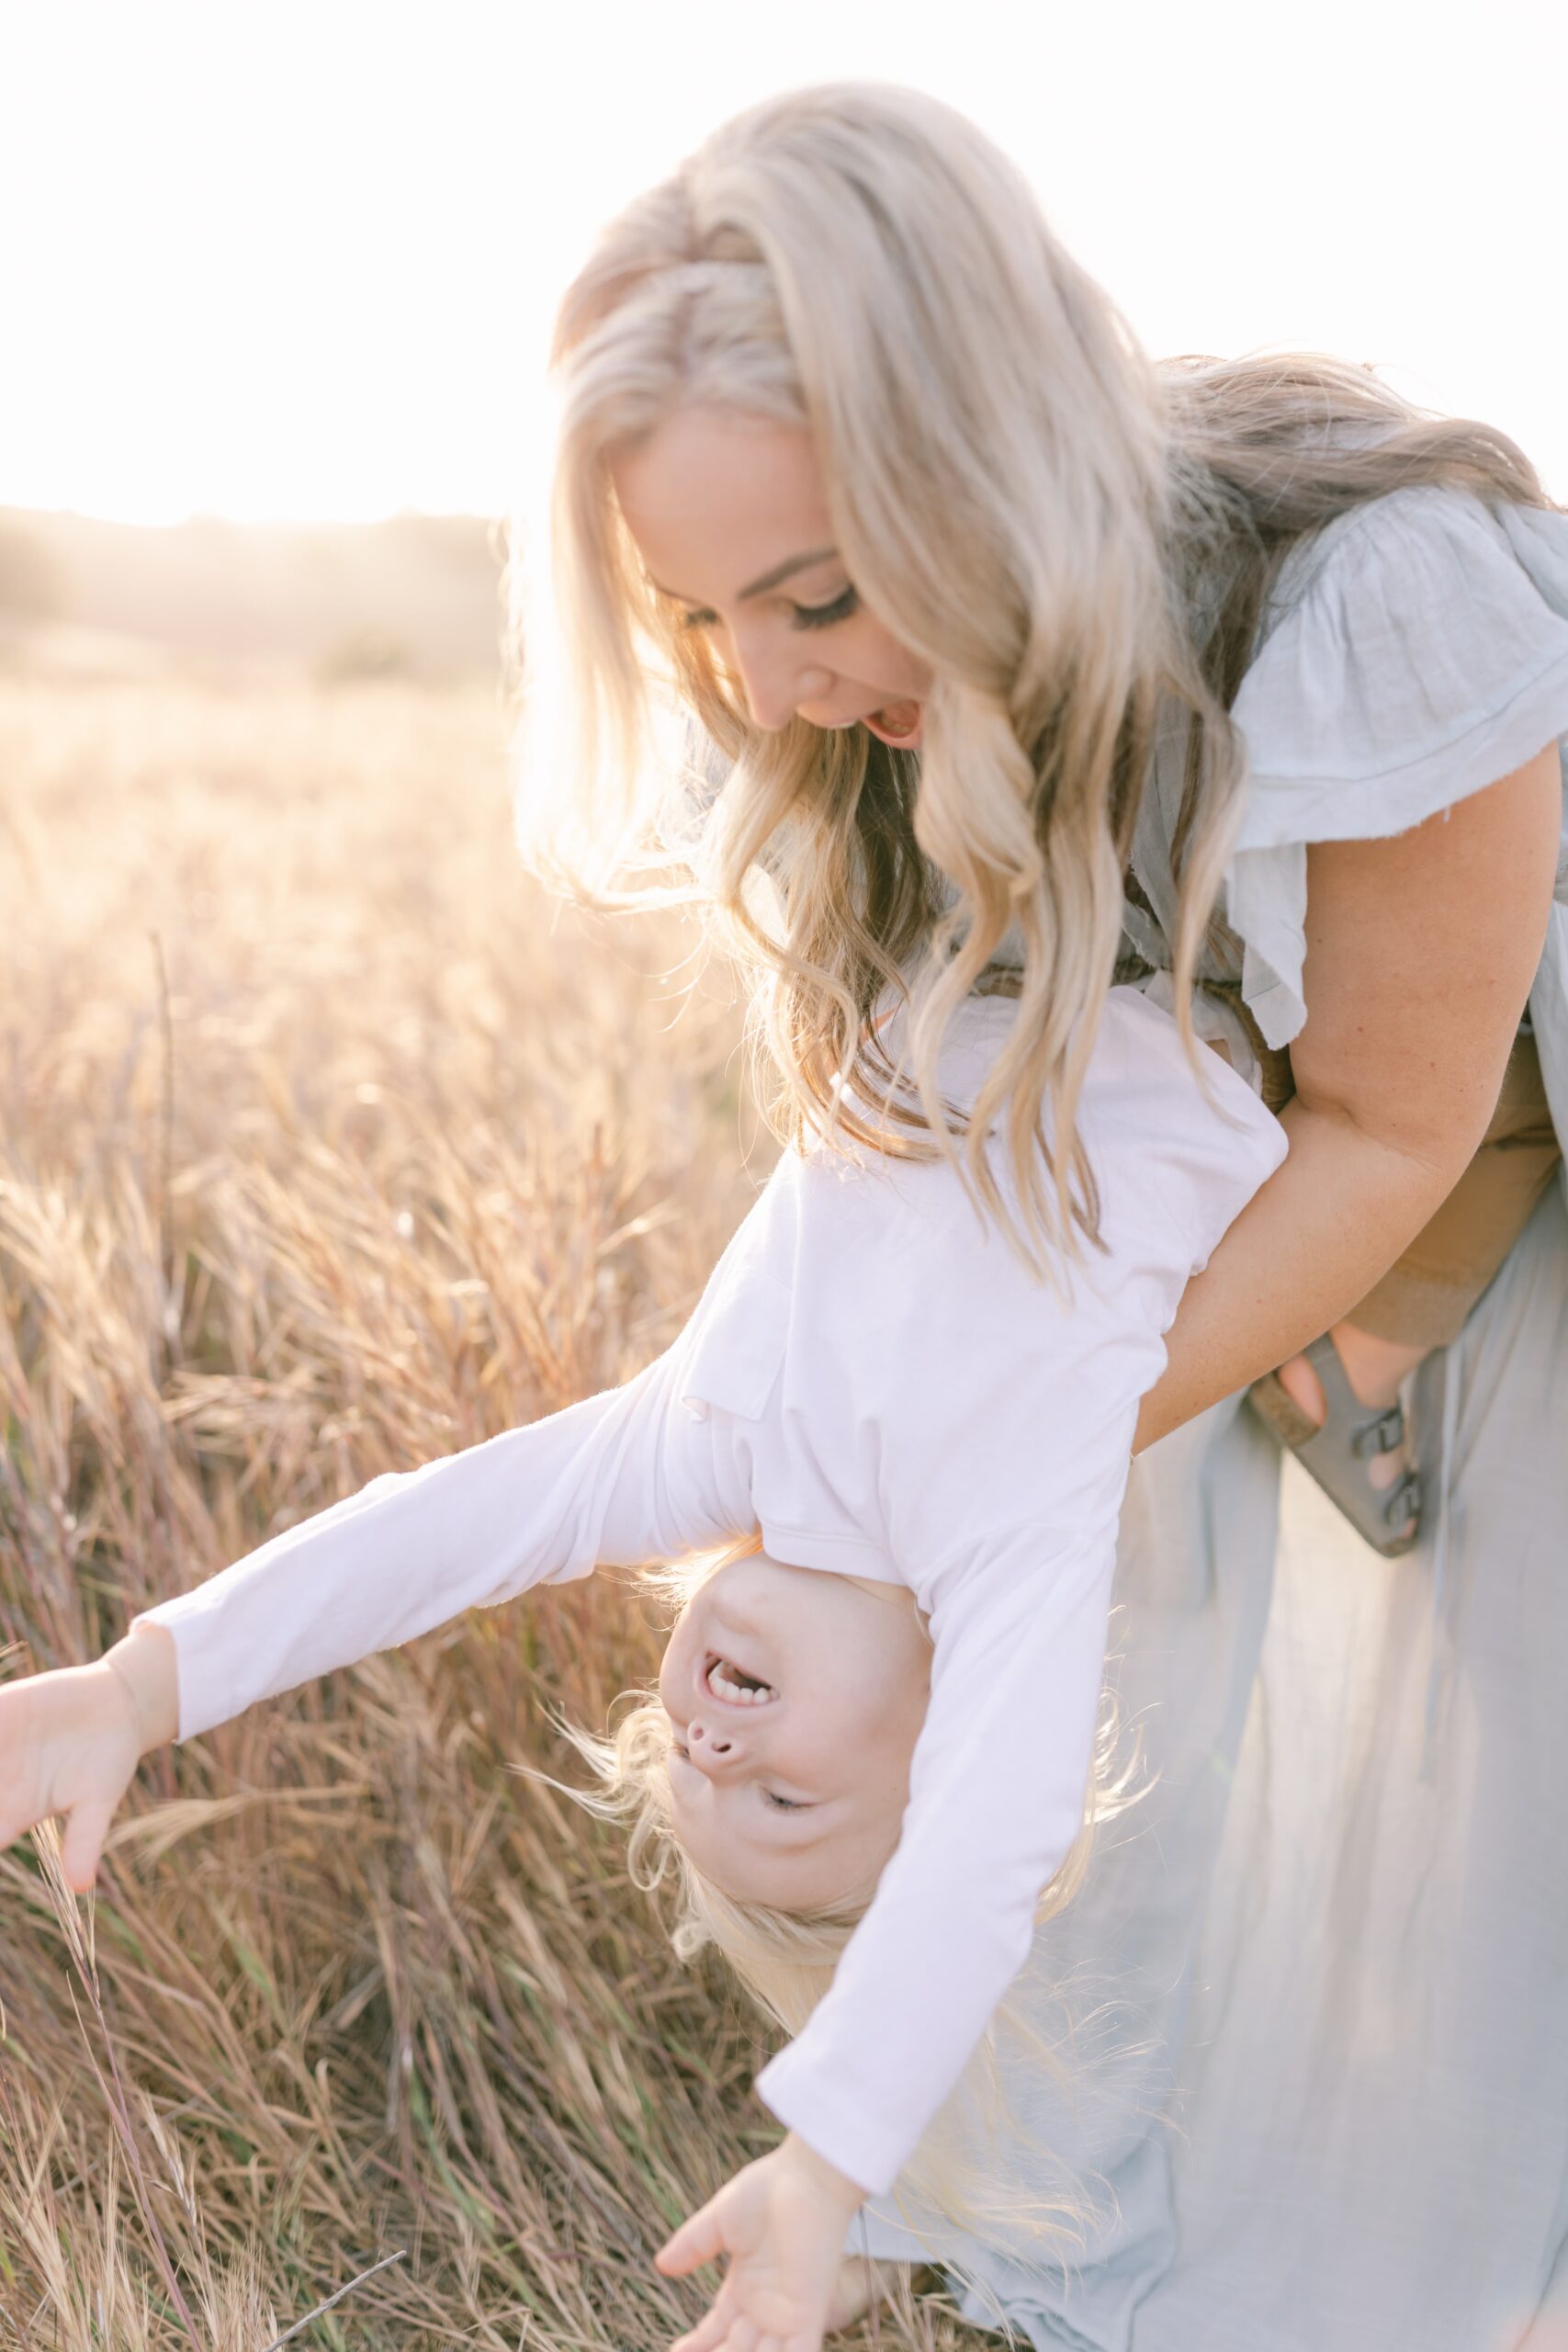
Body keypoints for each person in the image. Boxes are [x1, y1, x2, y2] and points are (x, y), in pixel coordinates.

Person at [508, 81, 1568, 2351]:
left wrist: (977, 1452)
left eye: (810, 593)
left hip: (1480, 1131)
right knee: (1143, 1690)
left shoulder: (1380, 589)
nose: (770, 685)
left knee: (1473, 1796)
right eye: (695, 617)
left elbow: (1398, 1114)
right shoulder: (820, 712)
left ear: (975, 468)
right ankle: (1062, 2238)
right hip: (1231, 1168)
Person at [0, 980, 1285, 2344]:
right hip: (1178, 923)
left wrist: (141, 1687)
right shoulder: (1008, 1529)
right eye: (784, 1801)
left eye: (690, 1765)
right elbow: (985, 1857)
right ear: (949, 1737)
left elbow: (449, 1528)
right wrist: (830, 2159)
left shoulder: (723, 1444)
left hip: (969, 913)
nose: (717, 1750)